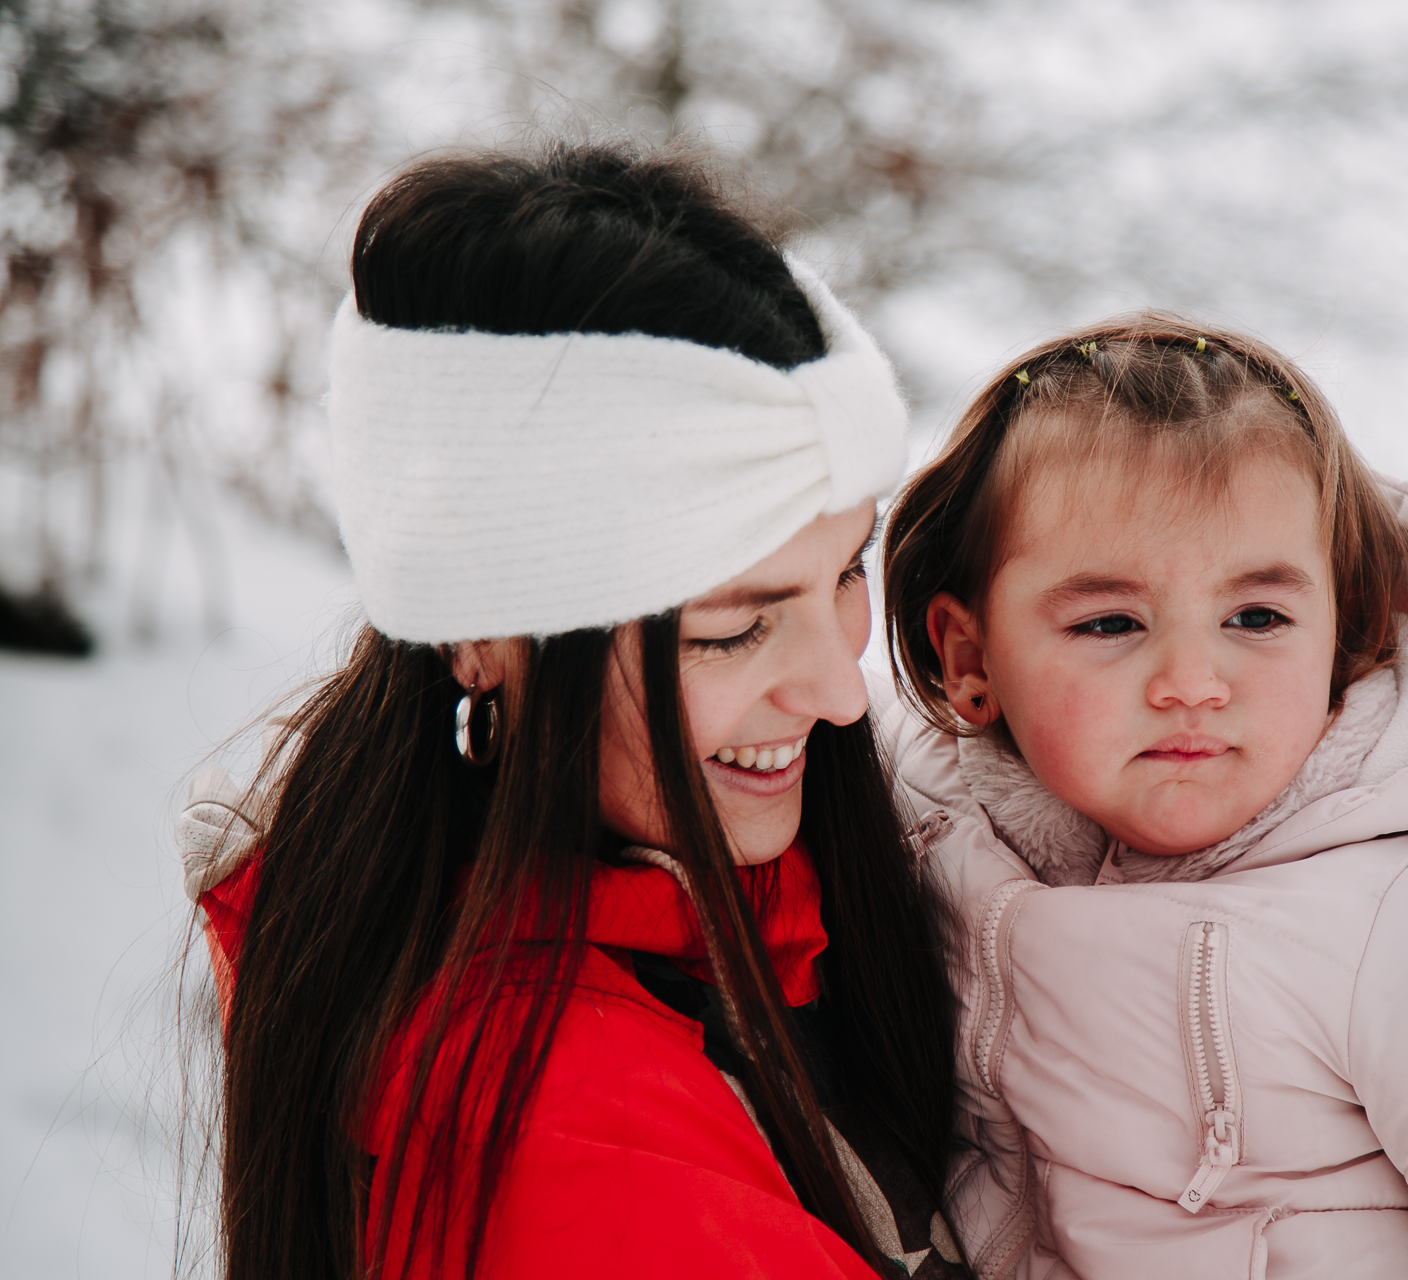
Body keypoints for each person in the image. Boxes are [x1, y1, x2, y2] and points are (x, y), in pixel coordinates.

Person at [174, 143, 969, 1279]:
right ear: (486, 638)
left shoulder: (714, 904)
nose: (843, 691)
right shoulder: (574, 1134)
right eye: (730, 626)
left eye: (846, 571)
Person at [874, 318, 1408, 1278]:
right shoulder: (929, 831)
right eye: (1111, 622)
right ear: (969, 659)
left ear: (1340, 628)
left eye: (1257, 617)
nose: (1192, 681)